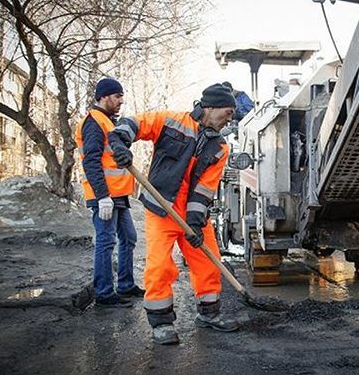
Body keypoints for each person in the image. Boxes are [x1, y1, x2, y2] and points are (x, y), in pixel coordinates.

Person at [108, 83, 238, 345]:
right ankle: (161, 323)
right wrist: (120, 143)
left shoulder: (220, 147)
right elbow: (133, 124)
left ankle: (209, 314)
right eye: (227, 113)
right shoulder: (170, 121)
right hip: (162, 207)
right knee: (159, 267)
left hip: (193, 214)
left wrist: (195, 224)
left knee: (208, 261)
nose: (229, 119)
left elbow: (204, 188)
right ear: (209, 107)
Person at [75, 78, 145, 308]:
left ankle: (125, 285)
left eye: (121, 96)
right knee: (106, 242)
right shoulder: (94, 122)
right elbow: (91, 161)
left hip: (118, 196)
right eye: (117, 96)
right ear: (103, 96)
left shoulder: (108, 121)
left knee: (129, 237)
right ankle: (104, 293)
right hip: (104, 196)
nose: (121, 101)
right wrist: (102, 196)